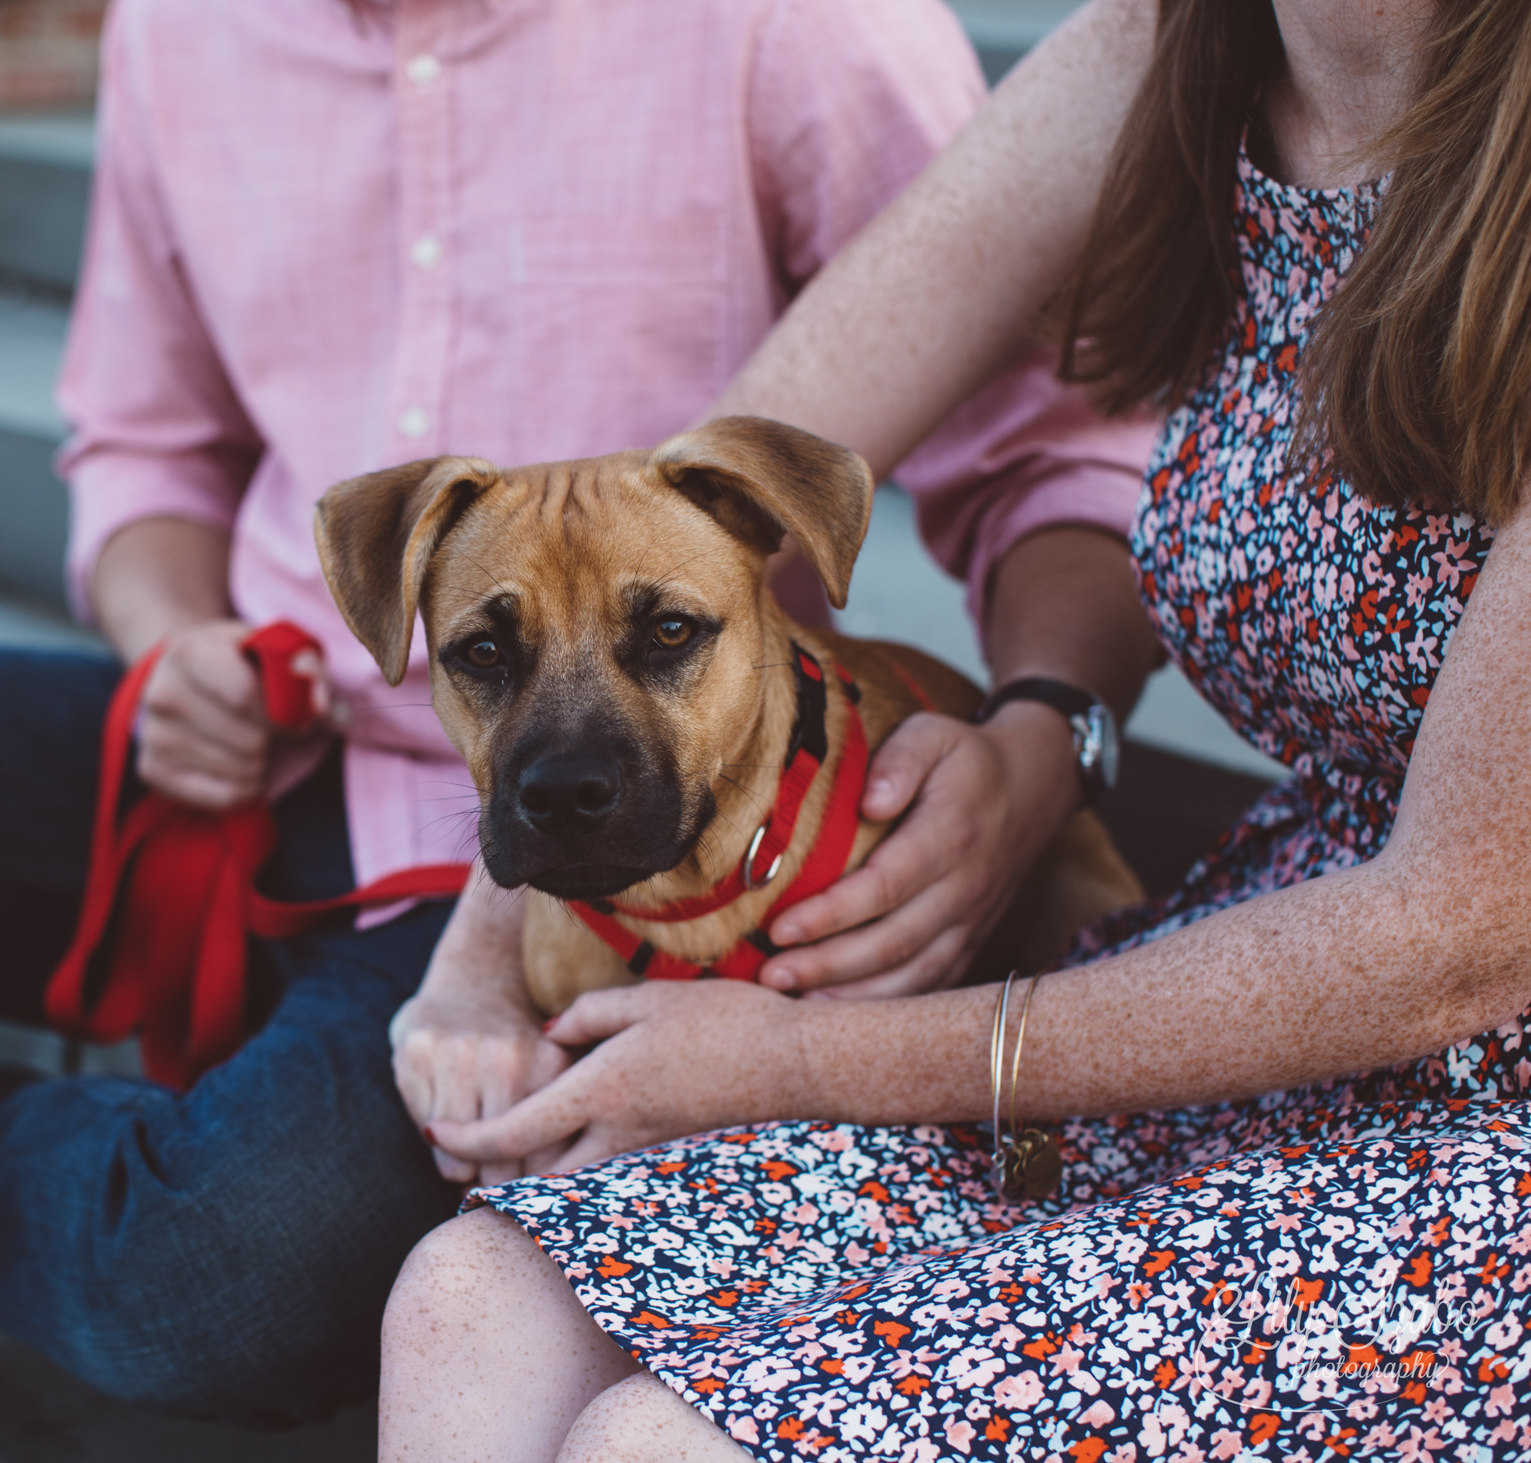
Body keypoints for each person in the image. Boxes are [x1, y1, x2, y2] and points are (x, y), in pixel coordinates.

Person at [0, 2, 1158, 1460]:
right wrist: (171, 630)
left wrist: (1037, 736)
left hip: (590, 849)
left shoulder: (795, 26)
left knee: (212, 1283)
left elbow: (1056, 458)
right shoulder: (184, 31)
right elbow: (140, 445)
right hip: (270, 726)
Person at [380, 0, 1531, 1457]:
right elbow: (694, 515)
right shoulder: (1186, 34)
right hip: (1258, 976)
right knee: (467, 1300)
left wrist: (802, 1065)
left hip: (1476, 1108)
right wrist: (479, 962)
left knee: (662, 1440)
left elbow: (1453, 939)